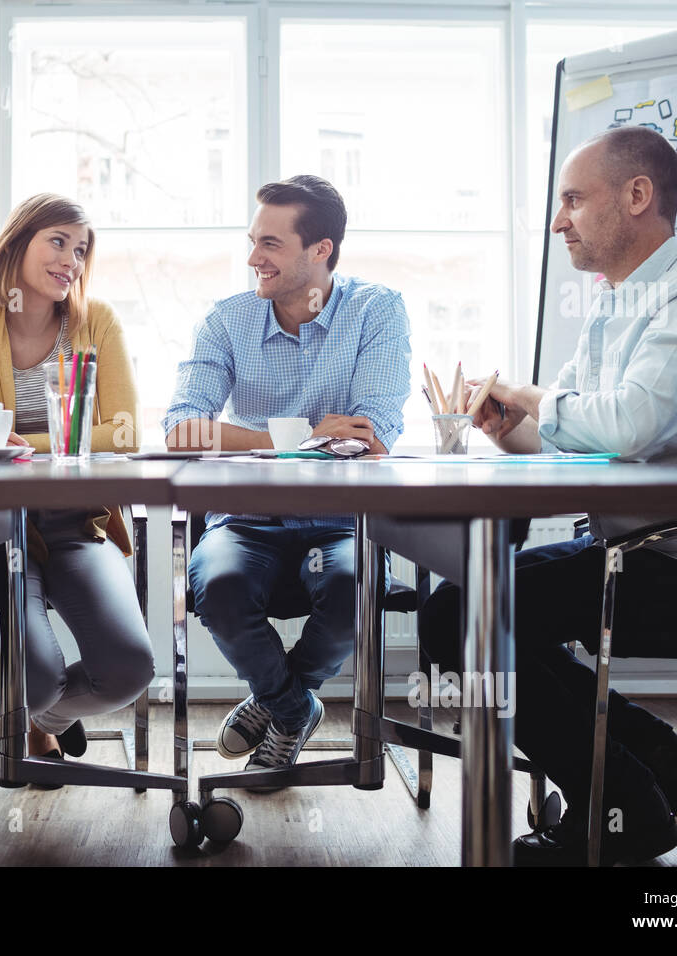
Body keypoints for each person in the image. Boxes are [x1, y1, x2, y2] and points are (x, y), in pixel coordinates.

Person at [419, 125, 677, 865]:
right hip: (636, 549)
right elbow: (579, 440)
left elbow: (627, 423)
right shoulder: (617, 301)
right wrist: (510, 431)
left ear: (638, 196)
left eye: (573, 201)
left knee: (466, 618)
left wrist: (528, 395)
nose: (560, 221)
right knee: (460, 615)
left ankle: (626, 802)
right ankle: (648, 773)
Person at [163, 174, 411, 784]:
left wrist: (263, 438)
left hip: (340, 523)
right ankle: (295, 708)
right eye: (253, 241)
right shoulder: (227, 322)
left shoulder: (376, 311)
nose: (253, 258)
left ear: (320, 250)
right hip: (246, 518)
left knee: (353, 582)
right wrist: (302, 438)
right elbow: (182, 429)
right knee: (218, 585)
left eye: (270, 244)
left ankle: (276, 703)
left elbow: (373, 433)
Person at [0, 194, 153, 767]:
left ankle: (47, 722)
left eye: (81, 248)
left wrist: (5, 443)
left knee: (128, 671)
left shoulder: (98, 323)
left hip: (75, 522)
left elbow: (122, 435)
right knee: (33, 682)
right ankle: (35, 715)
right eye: (58, 242)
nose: (72, 259)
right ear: (17, 242)